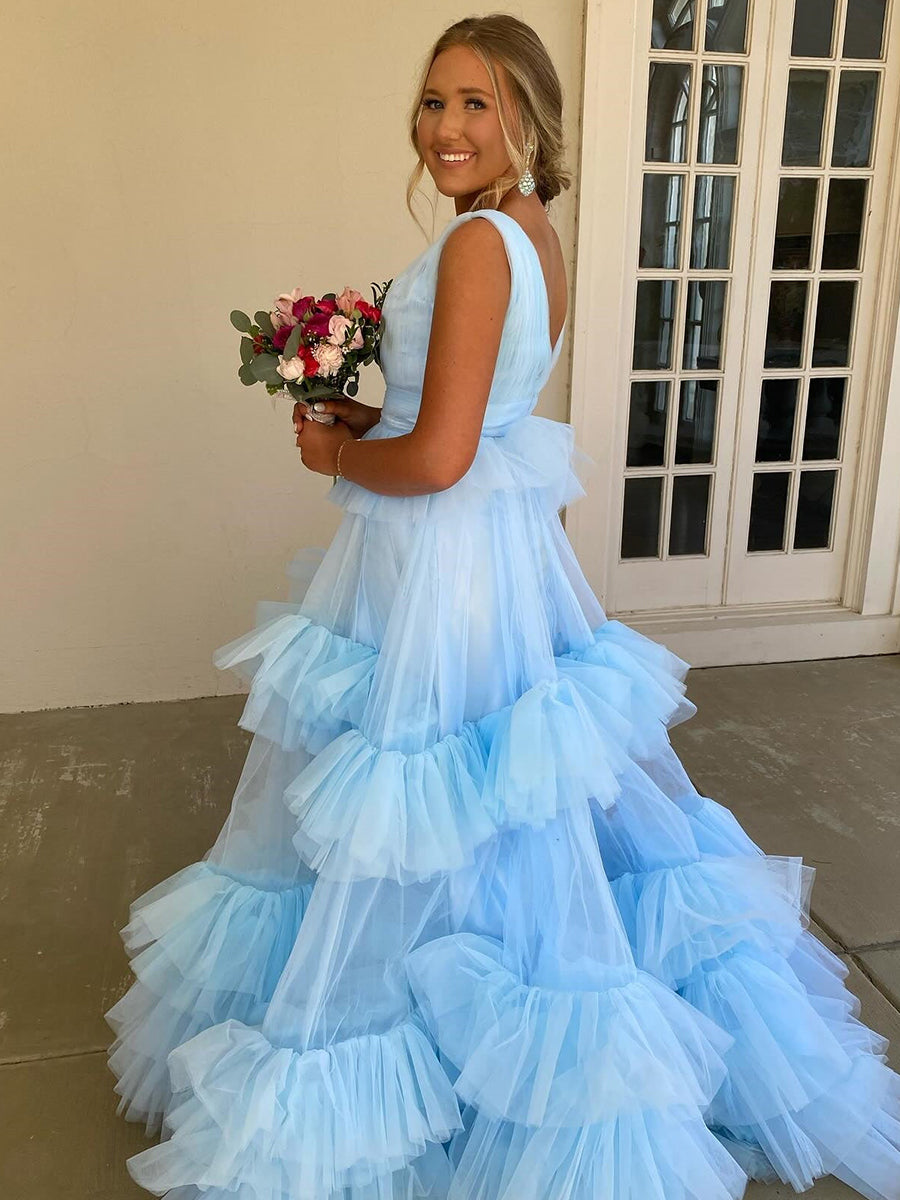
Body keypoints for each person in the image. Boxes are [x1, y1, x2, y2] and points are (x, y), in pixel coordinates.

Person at [105, 14, 900, 1200]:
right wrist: (370, 421)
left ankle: (441, 1052)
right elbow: (473, 424)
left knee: (428, 799)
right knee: (500, 805)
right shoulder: (537, 235)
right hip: (491, 560)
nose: (446, 128)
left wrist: (334, 452)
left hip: (442, 568)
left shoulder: (481, 242)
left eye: (477, 103)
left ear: (526, 115)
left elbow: (438, 461)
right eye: (433, 102)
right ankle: (503, 1010)